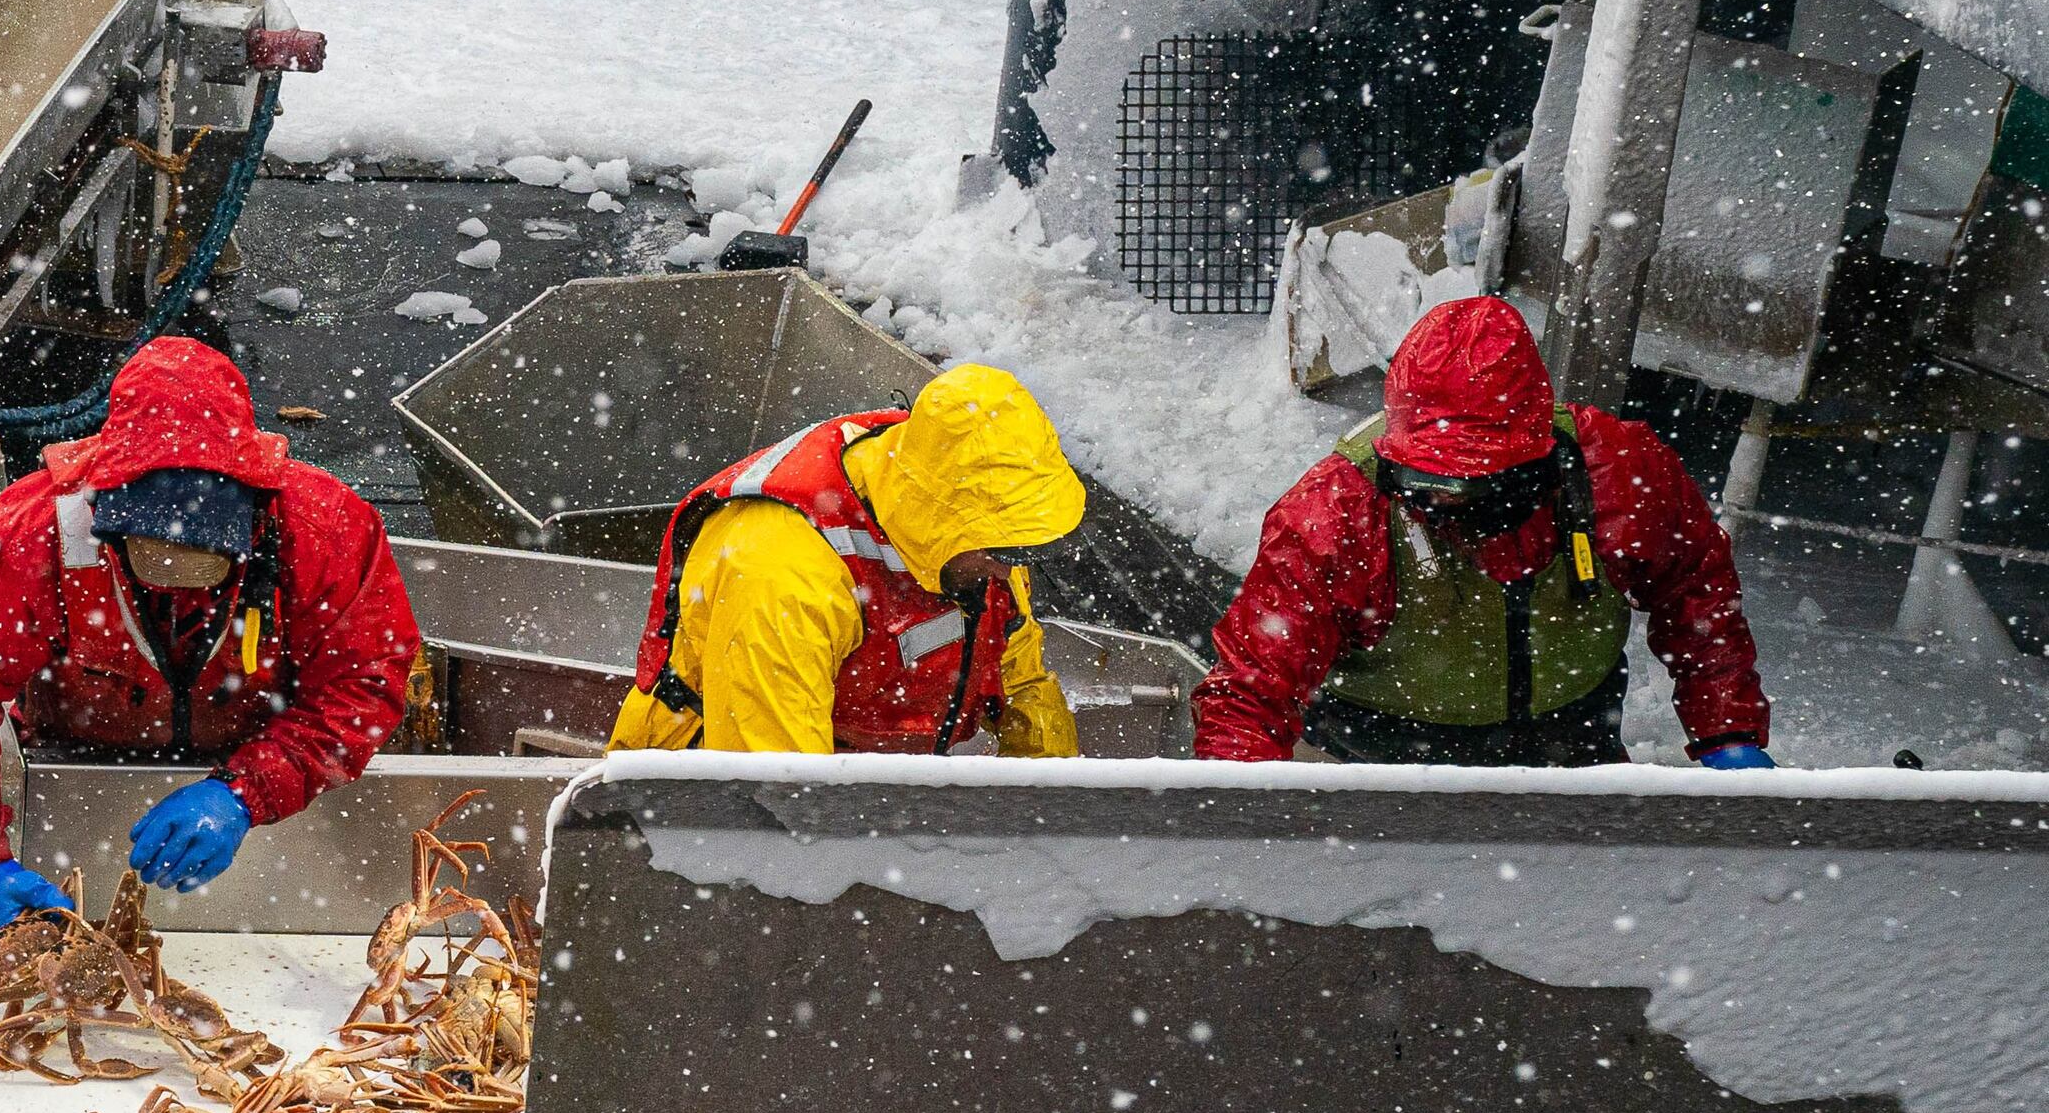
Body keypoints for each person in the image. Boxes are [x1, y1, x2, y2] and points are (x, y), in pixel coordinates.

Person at [0, 336, 422, 928]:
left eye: (204, 549)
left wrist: (248, 791)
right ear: (107, 501)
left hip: (261, 765)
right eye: (153, 545)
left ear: (251, 507)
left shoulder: (326, 529)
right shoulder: (30, 533)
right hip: (70, 760)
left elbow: (362, 688)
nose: (177, 576)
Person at [1196, 292, 1769, 768]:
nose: (1449, 502)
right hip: (1371, 762)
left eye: (1478, 481)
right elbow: (1251, 690)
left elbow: (1698, 600)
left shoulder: (1619, 473)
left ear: (1536, 453)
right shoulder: (1336, 511)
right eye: (1428, 479)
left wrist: (1729, 733)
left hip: (1572, 751)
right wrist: (1240, 815)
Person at [611, 361, 1088, 757]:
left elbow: (1022, 682)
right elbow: (772, 787)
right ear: (943, 517)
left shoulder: (975, 532)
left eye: (1023, 550)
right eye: (1003, 550)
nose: (1009, 568)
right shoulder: (779, 567)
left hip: (867, 791)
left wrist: (1057, 819)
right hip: (692, 817)